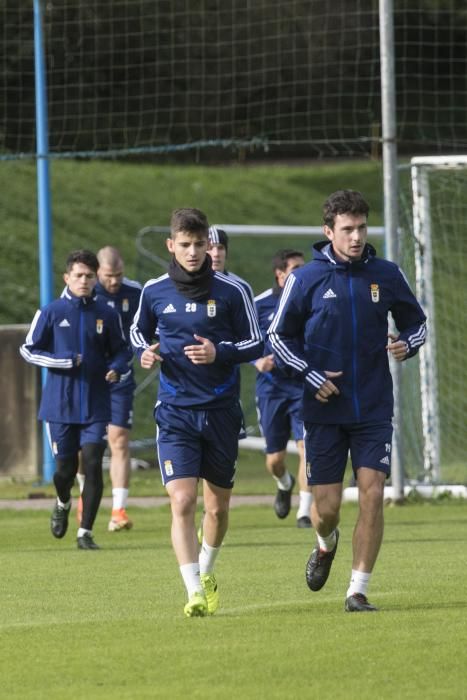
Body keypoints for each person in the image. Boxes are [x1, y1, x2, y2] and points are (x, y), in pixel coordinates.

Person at [268, 190, 427, 612]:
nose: (356, 237)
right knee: (328, 509)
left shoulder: (387, 273)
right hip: (323, 409)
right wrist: (310, 374)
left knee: (373, 492)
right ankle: (325, 543)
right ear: (328, 231)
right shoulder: (306, 279)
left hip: (374, 405)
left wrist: (406, 344)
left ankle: (357, 589)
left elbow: (417, 323)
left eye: (361, 228)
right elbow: (277, 338)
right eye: (347, 229)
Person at [130, 208, 263, 617]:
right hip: (175, 412)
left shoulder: (232, 290)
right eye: (184, 244)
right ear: (171, 245)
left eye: (199, 244)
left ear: (210, 245)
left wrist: (218, 352)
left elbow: (257, 343)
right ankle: (193, 592)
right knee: (183, 500)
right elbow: (138, 330)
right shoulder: (154, 291)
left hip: (221, 410)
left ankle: (206, 570)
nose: (192, 252)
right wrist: (145, 352)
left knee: (217, 508)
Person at [20, 249, 131, 550]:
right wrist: (63, 361)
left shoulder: (107, 314)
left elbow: (123, 350)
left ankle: (85, 532)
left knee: (94, 463)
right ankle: (62, 501)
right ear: (67, 277)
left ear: (96, 279)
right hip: (60, 405)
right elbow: (28, 350)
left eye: (89, 276)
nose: (84, 281)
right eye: (78, 275)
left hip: (96, 403)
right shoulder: (51, 312)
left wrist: (116, 368)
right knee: (65, 471)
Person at [75, 246, 142, 532]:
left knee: (119, 440)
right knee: (84, 448)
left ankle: (119, 510)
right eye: (108, 276)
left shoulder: (135, 292)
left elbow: (146, 326)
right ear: (97, 272)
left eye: (118, 275)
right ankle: (84, 495)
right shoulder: (85, 292)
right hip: (89, 380)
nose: (113, 281)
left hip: (120, 378)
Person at [254, 249, 313, 527]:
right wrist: (257, 360)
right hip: (271, 389)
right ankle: (284, 481)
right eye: (295, 269)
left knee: (307, 447)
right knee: (274, 458)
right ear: (280, 275)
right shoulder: (260, 304)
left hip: (302, 385)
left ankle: (304, 512)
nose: (302, 273)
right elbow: (245, 338)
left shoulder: (311, 300)